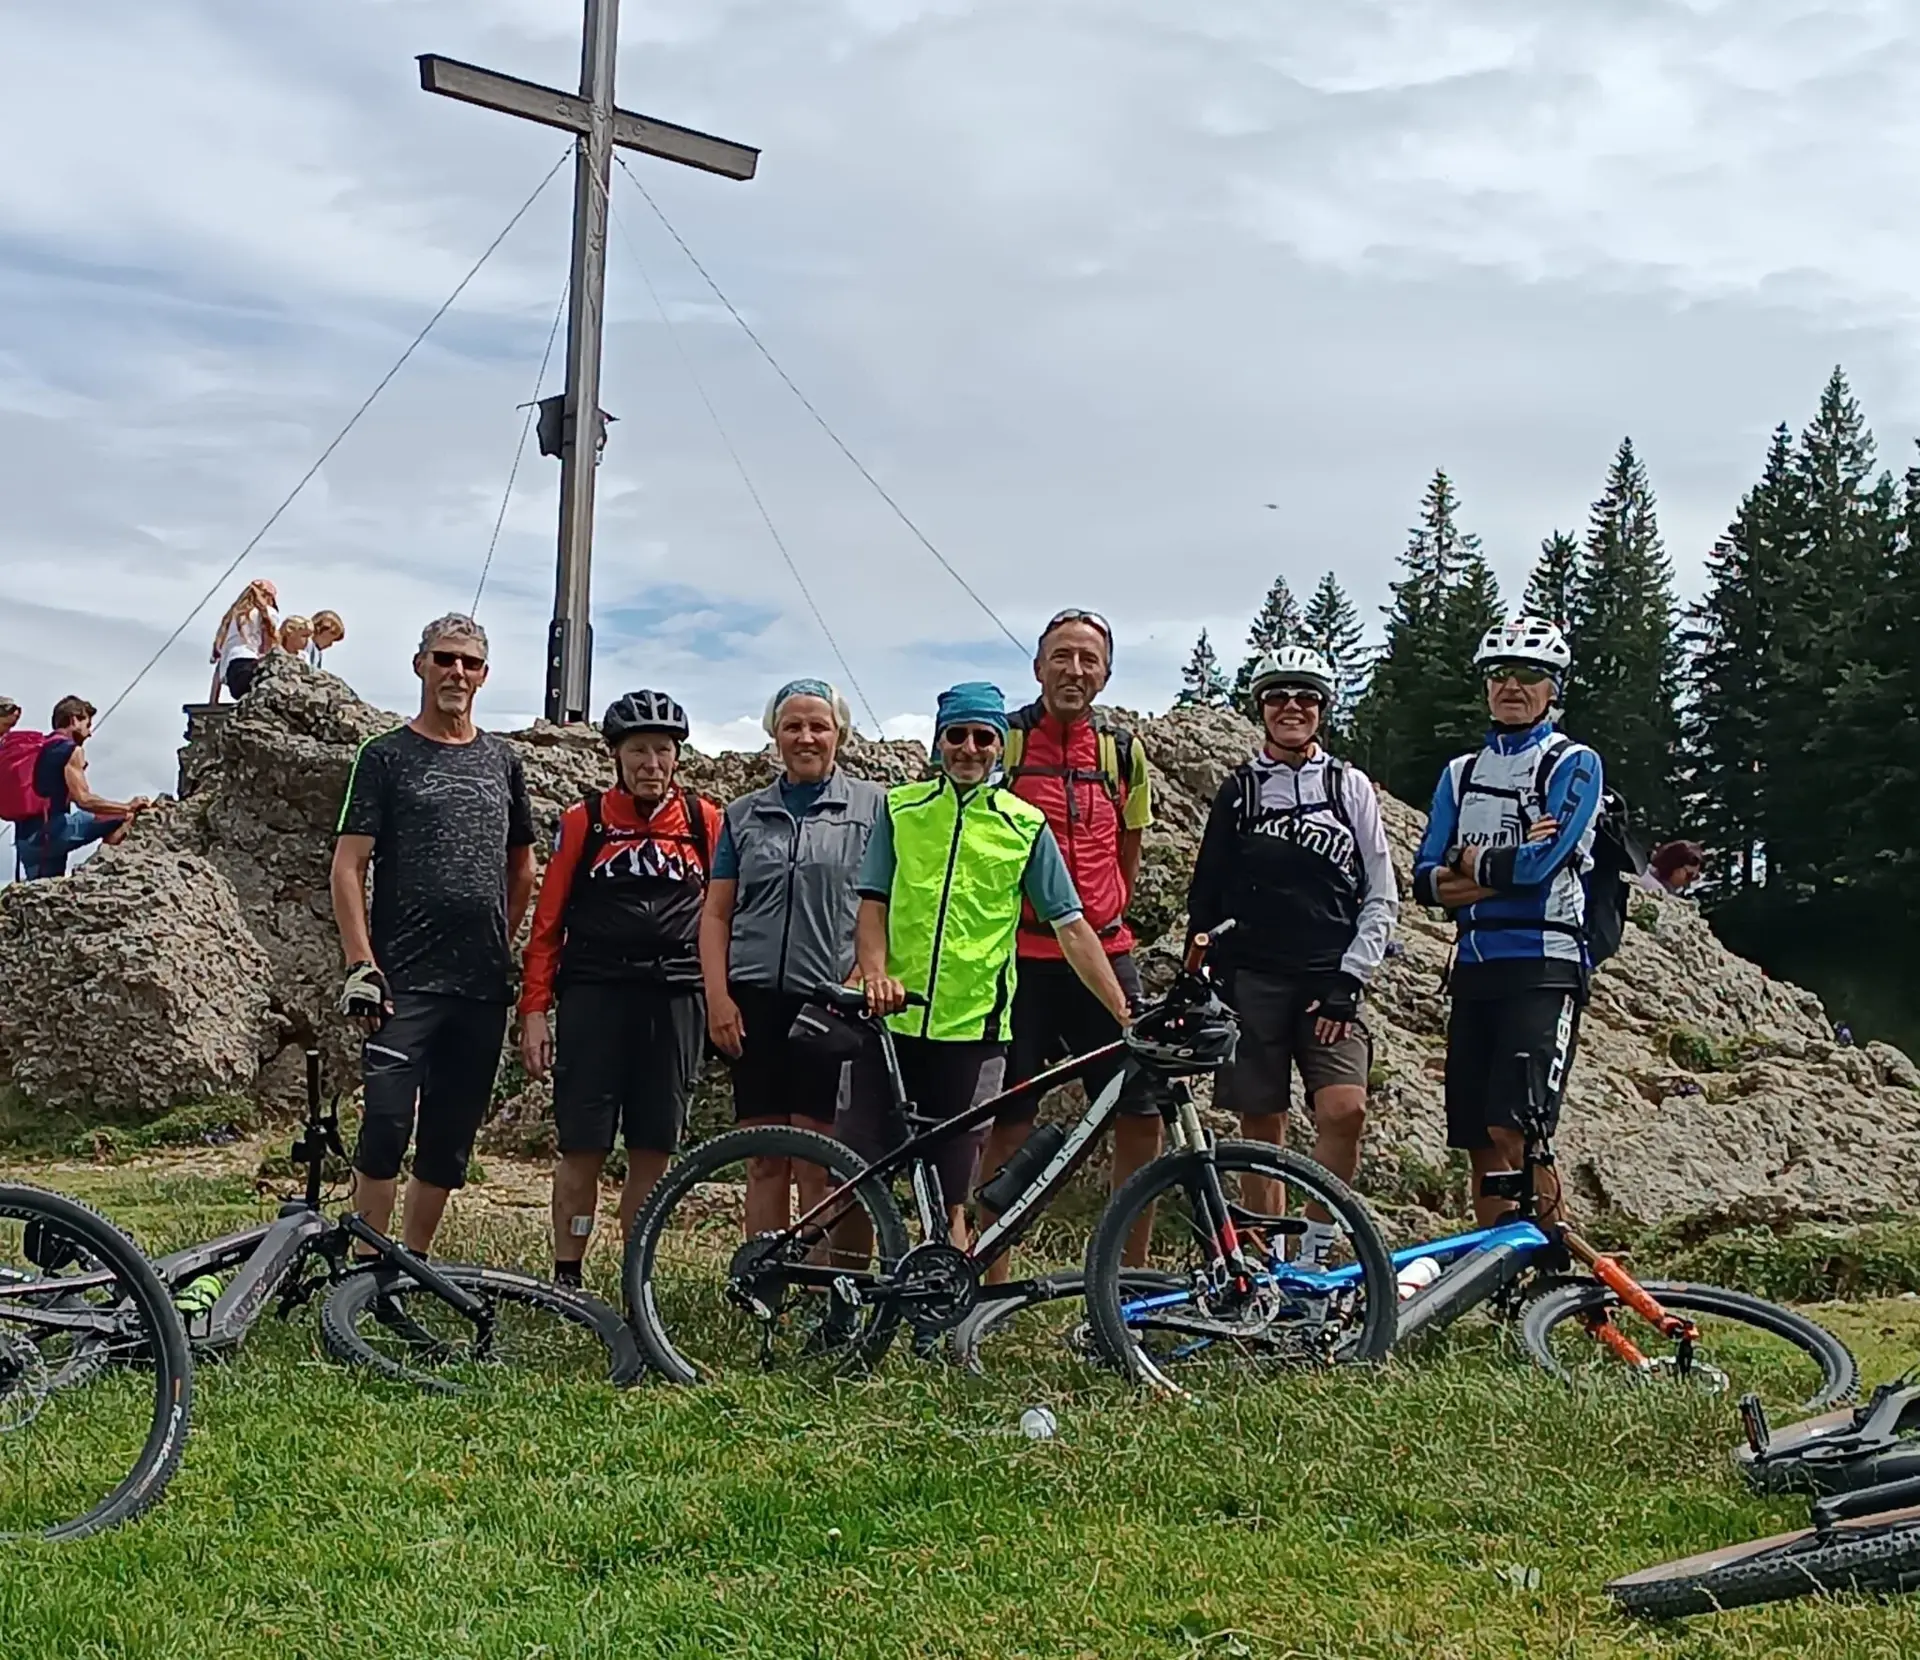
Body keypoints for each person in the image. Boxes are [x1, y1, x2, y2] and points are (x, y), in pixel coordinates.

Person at [841, 682, 1132, 1249]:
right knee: (856, 1176)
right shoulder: (899, 810)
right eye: (957, 735)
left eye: (984, 737)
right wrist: (874, 972)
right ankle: (842, 1311)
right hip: (889, 1022)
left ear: (1001, 747)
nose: (969, 748)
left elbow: (1072, 927)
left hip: (973, 1032)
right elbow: (872, 903)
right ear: (938, 743)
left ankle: (941, 1322)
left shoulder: (1024, 825)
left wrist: (1122, 1009)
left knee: (954, 1192)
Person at [330, 614, 536, 1260]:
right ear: (420, 665)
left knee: (449, 1137)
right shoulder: (385, 756)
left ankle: (411, 1265)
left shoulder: (504, 761)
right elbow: (347, 864)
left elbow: (522, 864)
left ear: (485, 675)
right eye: (445, 658)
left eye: (470, 663)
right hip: (401, 980)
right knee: (386, 1125)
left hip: (478, 983)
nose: (457, 673)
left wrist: (503, 939)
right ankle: (365, 1268)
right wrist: (361, 962)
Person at [1186, 646, 1398, 1263]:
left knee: (1345, 1109)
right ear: (1260, 708)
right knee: (1262, 1121)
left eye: (1305, 697)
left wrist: (1351, 979)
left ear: (1323, 709)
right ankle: (1270, 1261)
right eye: (1278, 697)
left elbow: (1380, 891)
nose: (1292, 708)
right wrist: (1199, 973)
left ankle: (1316, 1243)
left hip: (1327, 980)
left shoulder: (1348, 785)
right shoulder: (1240, 791)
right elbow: (1207, 892)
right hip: (1252, 976)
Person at [977, 609, 1161, 1282]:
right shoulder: (1009, 743)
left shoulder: (1122, 752)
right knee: (1006, 1117)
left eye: (1088, 659)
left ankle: (1128, 1275)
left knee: (1140, 1114)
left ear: (1106, 673)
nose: (1074, 670)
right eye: (1062, 657)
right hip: (1019, 959)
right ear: (1037, 666)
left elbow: (1129, 847)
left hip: (1104, 957)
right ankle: (992, 1277)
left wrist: (1105, 913)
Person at [520, 691, 724, 1288]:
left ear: (678, 757)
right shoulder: (584, 821)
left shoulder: (703, 821)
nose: (651, 764)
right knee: (583, 1148)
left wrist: (721, 999)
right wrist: (534, 1010)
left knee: (653, 1151)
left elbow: (724, 917)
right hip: (596, 999)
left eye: (663, 750)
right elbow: (548, 920)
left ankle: (638, 1276)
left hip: (674, 999)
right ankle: (568, 1272)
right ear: (616, 755)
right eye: (638, 750)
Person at [1412, 617, 1603, 1227]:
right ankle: (1494, 1270)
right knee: (1477, 1136)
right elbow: (1423, 880)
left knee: (1517, 1126)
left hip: (1544, 963)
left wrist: (1468, 862)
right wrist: (1507, 862)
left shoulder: (1572, 763)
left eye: (1530, 675)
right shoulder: (1459, 774)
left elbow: (1543, 867)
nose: (1512, 687)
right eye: (1500, 674)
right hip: (1472, 966)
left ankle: (1550, 1266)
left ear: (1554, 689)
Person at [700, 680, 885, 1237]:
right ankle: (763, 1282)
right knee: (763, 1157)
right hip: (753, 1001)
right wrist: (717, 999)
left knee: (817, 1160)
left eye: (818, 726)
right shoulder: (743, 814)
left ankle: (821, 1288)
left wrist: (863, 973)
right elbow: (716, 915)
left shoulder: (874, 808)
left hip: (828, 1003)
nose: (806, 737)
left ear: (840, 735)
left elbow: (889, 905)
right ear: (774, 736)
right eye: (792, 726)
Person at [8, 697, 152, 881]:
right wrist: (128, 807)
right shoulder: (70, 750)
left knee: (45, 898)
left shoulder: (39, 748)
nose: (89, 733)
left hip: (25, 843)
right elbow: (84, 800)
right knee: (127, 817)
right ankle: (101, 873)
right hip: (51, 835)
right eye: (87, 724)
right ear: (74, 720)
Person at [209, 580, 278, 702]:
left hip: (232, 675)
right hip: (251, 666)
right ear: (268, 597)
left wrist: (213, 702)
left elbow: (219, 665)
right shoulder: (268, 613)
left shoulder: (231, 619)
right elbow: (268, 646)